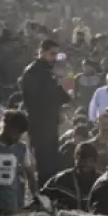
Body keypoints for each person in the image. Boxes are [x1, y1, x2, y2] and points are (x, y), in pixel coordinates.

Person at [19, 38, 71, 184]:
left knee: (52, 162)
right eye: (51, 54)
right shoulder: (33, 72)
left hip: (51, 124)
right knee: (44, 164)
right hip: (40, 124)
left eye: (57, 54)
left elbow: (62, 96)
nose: (54, 58)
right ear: (41, 52)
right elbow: (39, 99)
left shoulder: (49, 72)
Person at [42, 141, 100, 211]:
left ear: (95, 161)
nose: (86, 164)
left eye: (90, 160)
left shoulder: (101, 182)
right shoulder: (60, 180)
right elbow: (42, 198)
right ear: (75, 159)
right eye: (82, 160)